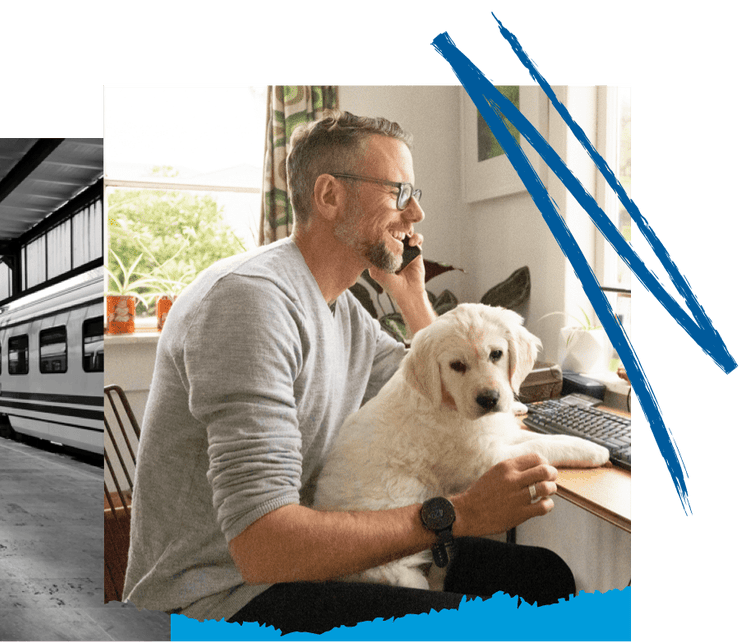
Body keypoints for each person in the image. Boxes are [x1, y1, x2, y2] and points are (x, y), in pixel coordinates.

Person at [122, 111, 574, 634]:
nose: (418, 213)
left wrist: (411, 298)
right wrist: (458, 515)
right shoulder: (249, 303)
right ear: (330, 195)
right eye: (399, 192)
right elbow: (264, 547)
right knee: (504, 624)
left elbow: (435, 394)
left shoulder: (339, 309)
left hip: (304, 554)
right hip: (228, 594)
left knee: (544, 579)